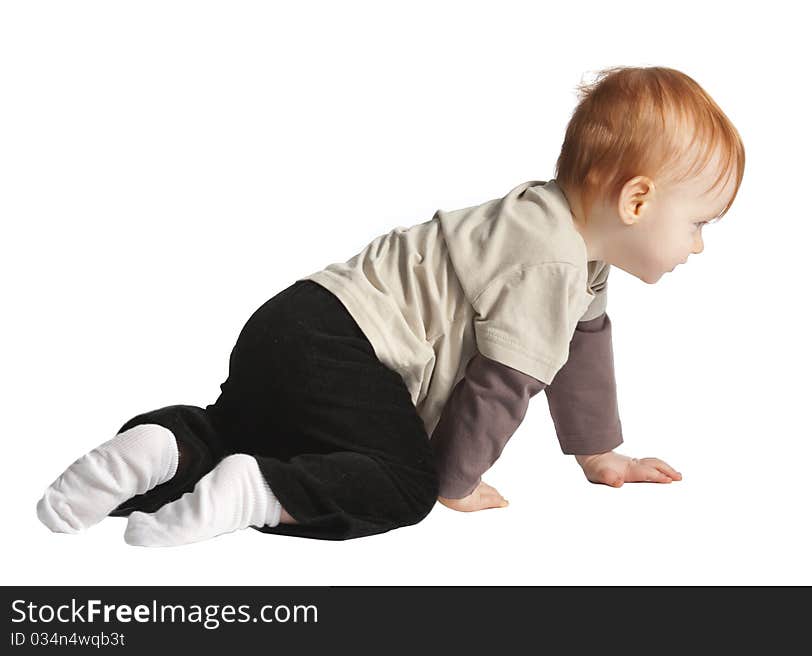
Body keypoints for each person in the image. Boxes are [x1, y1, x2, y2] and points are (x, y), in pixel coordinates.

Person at [35, 65, 745, 545]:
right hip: (348, 350)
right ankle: (258, 490)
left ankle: (163, 447)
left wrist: (599, 454)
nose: (699, 245)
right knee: (402, 485)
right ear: (637, 199)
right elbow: (501, 386)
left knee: (244, 424)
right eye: (698, 223)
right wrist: (454, 481)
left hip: (292, 322)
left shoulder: (555, 228)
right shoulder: (552, 263)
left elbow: (581, 346)